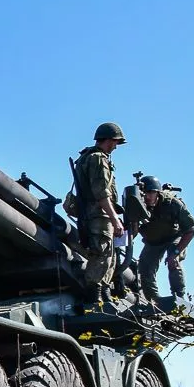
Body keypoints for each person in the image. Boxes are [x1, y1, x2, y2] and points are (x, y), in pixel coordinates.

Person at [72, 122, 126, 308]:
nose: (116, 147)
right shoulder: (97, 159)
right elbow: (101, 193)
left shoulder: (89, 157)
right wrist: (114, 218)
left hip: (97, 214)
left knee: (109, 256)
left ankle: (103, 292)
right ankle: (94, 297)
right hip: (98, 215)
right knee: (101, 254)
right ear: (109, 139)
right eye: (115, 142)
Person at [137, 175, 194, 305]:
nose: (147, 197)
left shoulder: (172, 204)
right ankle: (154, 301)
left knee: (173, 261)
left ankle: (179, 299)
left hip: (174, 236)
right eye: (144, 193)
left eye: (150, 192)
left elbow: (191, 230)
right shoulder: (137, 204)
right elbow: (131, 230)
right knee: (144, 267)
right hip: (153, 240)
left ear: (158, 193)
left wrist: (176, 253)